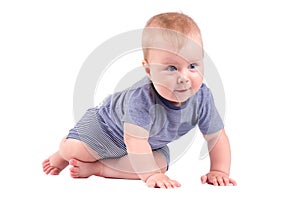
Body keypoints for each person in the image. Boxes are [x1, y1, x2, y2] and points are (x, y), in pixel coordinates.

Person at [42, 12, 237, 188]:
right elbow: (134, 140)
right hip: (106, 130)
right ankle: (62, 153)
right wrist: (150, 175)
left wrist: (219, 171)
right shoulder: (142, 98)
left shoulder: (202, 98)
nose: (184, 77)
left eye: (193, 65)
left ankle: (99, 169)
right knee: (76, 150)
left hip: (148, 143)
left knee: (160, 165)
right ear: (149, 70)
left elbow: (216, 136)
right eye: (171, 68)